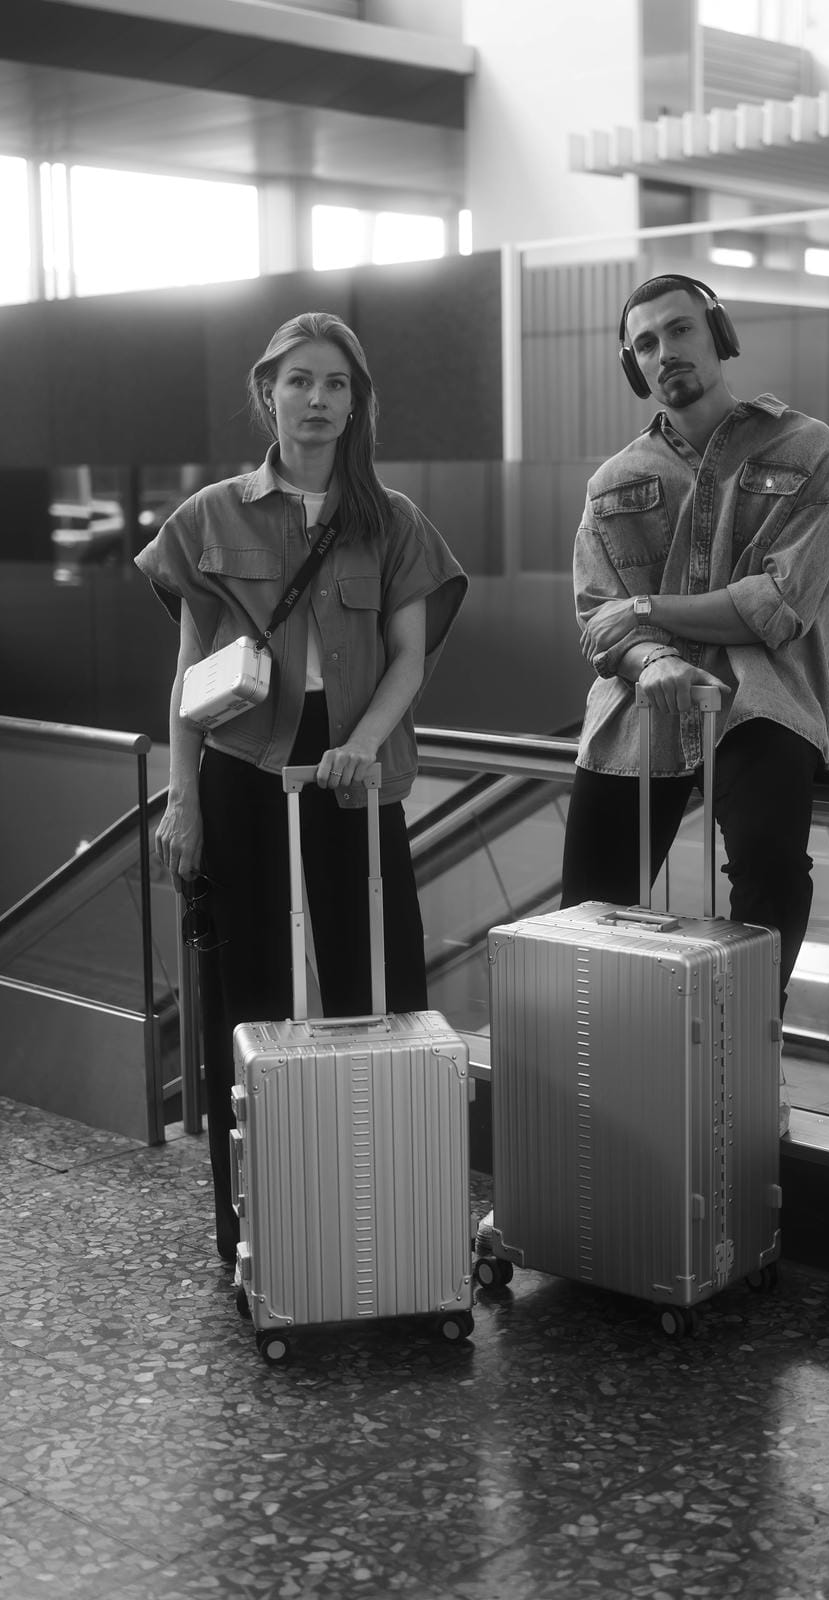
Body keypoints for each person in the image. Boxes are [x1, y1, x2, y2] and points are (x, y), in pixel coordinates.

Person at [135, 311, 467, 1264]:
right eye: (298, 382)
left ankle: (401, 1213)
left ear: (357, 403)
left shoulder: (394, 520)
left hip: (357, 772)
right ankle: (254, 1223)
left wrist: (363, 743)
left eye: (335, 384)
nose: (316, 401)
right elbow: (192, 675)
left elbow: (408, 659)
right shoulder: (210, 515)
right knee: (246, 992)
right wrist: (184, 798)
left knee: (385, 985)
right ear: (266, 392)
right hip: (242, 768)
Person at [560, 273, 829, 1051]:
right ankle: (605, 1075)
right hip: (634, 714)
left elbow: (777, 605)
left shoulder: (805, 448)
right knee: (587, 909)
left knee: (769, 873)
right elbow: (596, 618)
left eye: (679, 331)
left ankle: (742, 1055)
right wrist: (649, 656)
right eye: (645, 344)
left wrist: (648, 612)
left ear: (717, 336)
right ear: (633, 366)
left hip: (761, 701)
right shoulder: (612, 482)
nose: (664, 353)